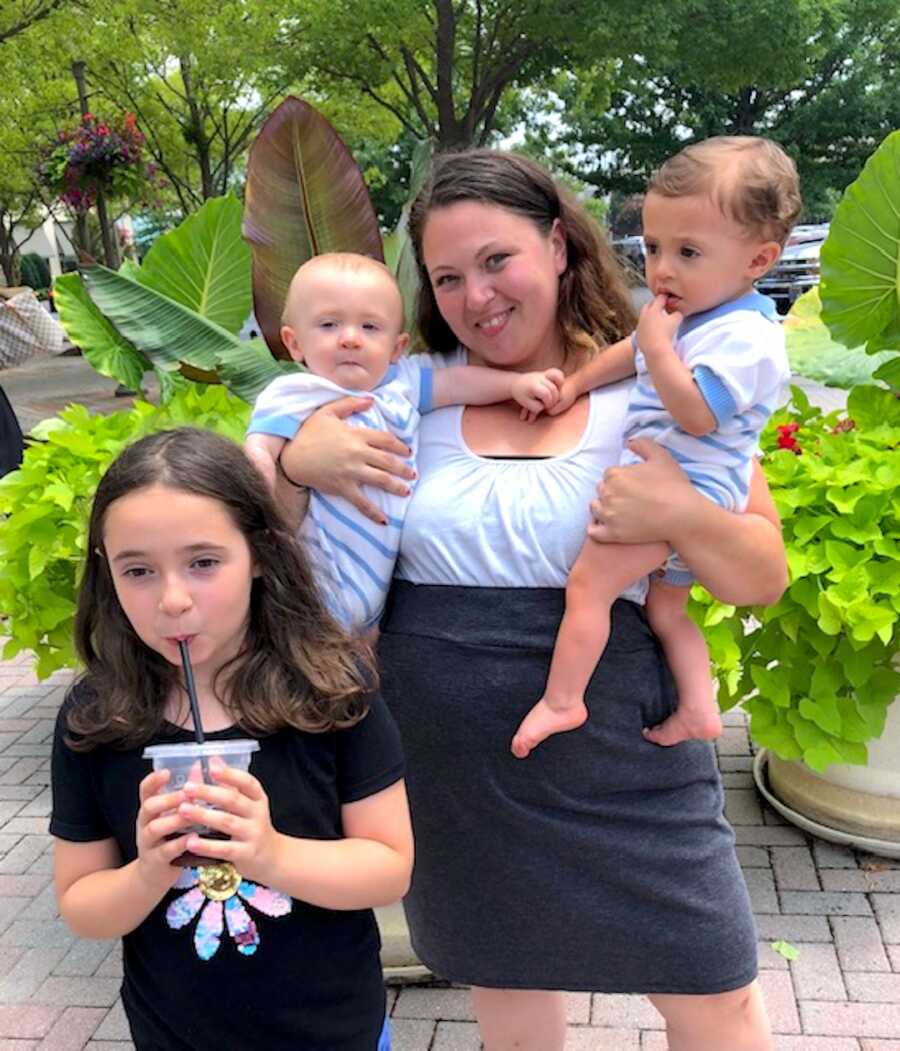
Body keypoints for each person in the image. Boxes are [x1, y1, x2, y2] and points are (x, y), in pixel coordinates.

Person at [276, 149, 787, 1051]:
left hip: (623, 754)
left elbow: (760, 578)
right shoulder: (398, 396)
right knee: (509, 994)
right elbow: (273, 553)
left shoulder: (659, 378)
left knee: (716, 994)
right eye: (447, 276)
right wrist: (291, 464)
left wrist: (677, 512)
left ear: (556, 245)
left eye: (496, 260)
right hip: (454, 768)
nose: (475, 296)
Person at [50, 428, 413, 1051]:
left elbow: (388, 868)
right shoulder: (97, 717)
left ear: (261, 556)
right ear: (106, 574)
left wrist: (268, 853)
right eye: (138, 570)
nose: (172, 599)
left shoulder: (330, 692)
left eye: (203, 562)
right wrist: (148, 872)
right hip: (173, 1034)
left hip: (335, 1030)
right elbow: (82, 904)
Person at [511, 136, 797, 758]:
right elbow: (631, 351)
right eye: (654, 247)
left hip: (689, 487)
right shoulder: (694, 318)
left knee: (589, 587)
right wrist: (579, 383)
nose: (663, 268)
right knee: (667, 613)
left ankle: (564, 701)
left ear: (759, 259)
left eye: (688, 251)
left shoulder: (747, 337)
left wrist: (660, 347)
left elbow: (697, 414)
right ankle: (698, 708)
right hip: (683, 490)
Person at [244, 252, 563, 630]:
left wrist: (514, 385)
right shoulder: (296, 393)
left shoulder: (403, 383)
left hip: (376, 589)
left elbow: (457, 383)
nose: (349, 339)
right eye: (329, 325)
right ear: (294, 343)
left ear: (397, 348)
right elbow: (259, 449)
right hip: (313, 574)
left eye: (369, 327)